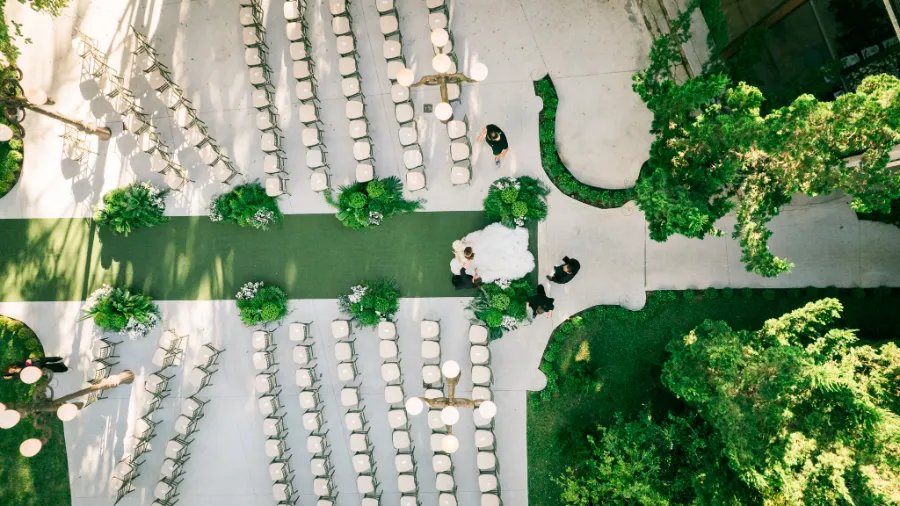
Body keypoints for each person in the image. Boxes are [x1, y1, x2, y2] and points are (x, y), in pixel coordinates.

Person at [449, 223, 535, 283]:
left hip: (481, 257)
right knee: (496, 252)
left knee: (495, 248)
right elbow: (462, 261)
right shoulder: (468, 265)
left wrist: (458, 254)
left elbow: (462, 261)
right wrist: (457, 253)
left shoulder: (467, 266)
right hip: (483, 258)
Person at [2, 357, 68, 379]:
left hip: (35, 364)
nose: (12, 370)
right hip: (36, 369)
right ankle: (63, 367)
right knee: (49, 368)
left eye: (10, 369)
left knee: (45, 360)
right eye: (10, 371)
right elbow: (22, 377)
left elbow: (24, 361)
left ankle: (58, 359)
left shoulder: (17, 364)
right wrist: (11, 377)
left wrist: (28, 360)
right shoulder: (17, 375)